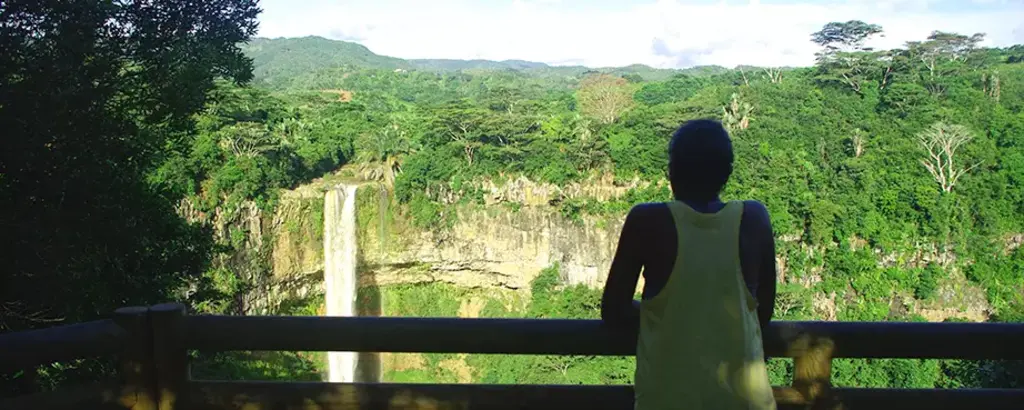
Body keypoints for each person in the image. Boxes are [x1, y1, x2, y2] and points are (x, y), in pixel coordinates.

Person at [600, 119, 778, 410]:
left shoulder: (647, 221)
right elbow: (764, 310)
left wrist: (670, 317)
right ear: (727, 173)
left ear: (672, 172)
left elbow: (614, 310)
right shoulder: (754, 218)